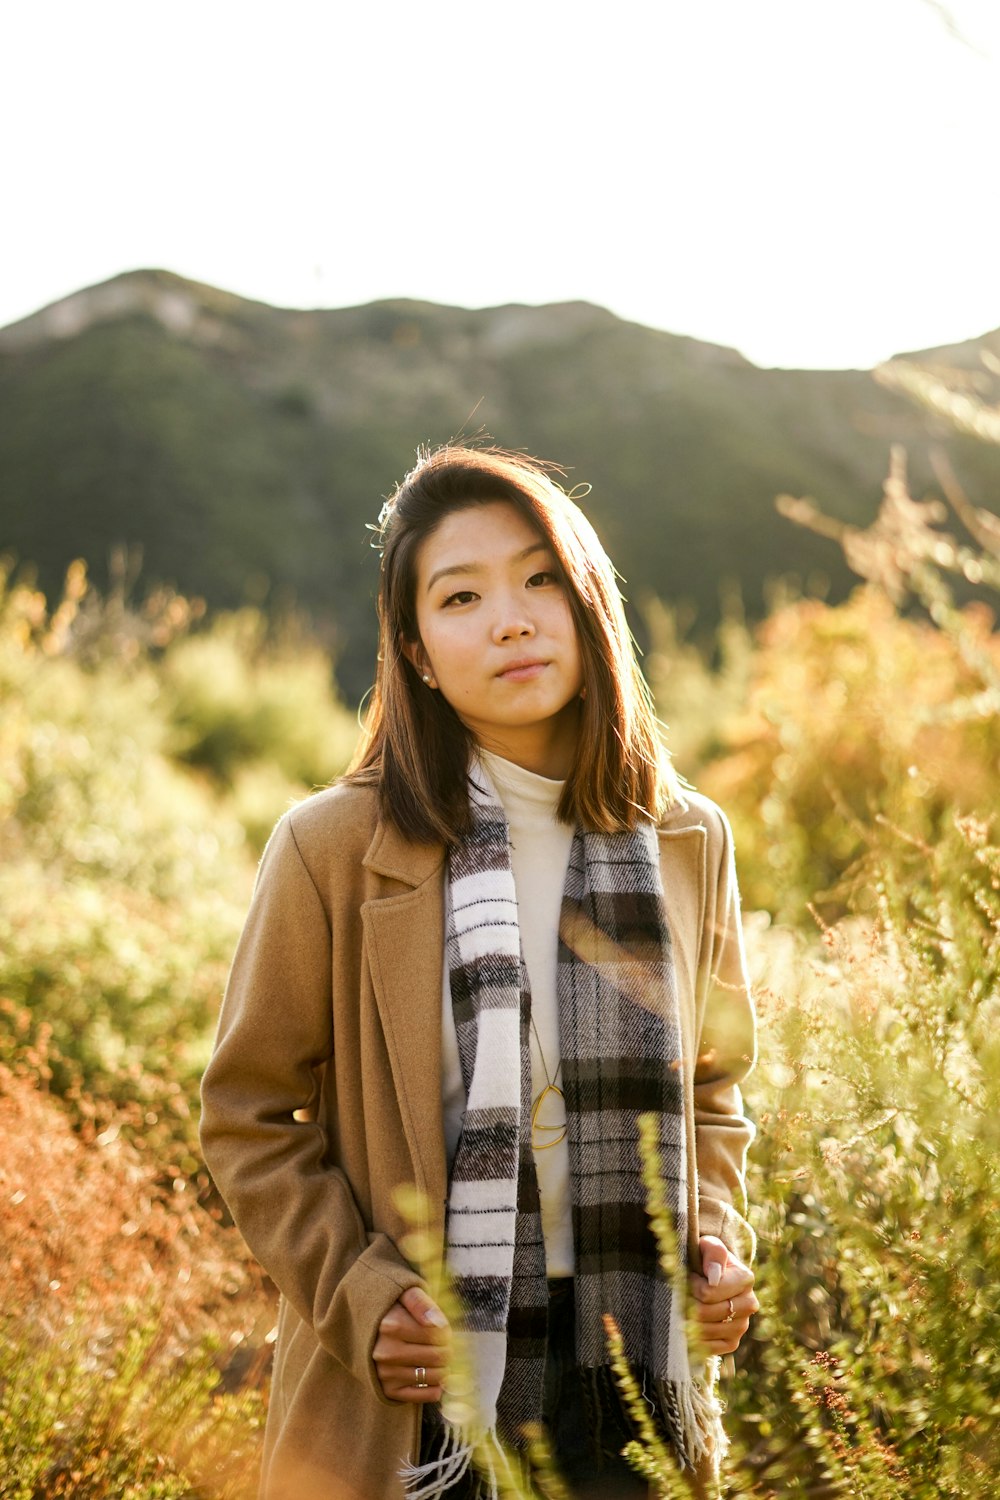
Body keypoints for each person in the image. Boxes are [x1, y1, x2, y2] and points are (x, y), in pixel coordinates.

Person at [200, 445, 758, 1500]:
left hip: (631, 1375)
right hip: (423, 1394)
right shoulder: (332, 847)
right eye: (462, 596)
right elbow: (248, 1113)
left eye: (539, 577)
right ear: (414, 650)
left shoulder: (688, 838)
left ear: (588, 598)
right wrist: (360, 1295)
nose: (510, 618)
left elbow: (715, 1089)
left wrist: (716, 1246)